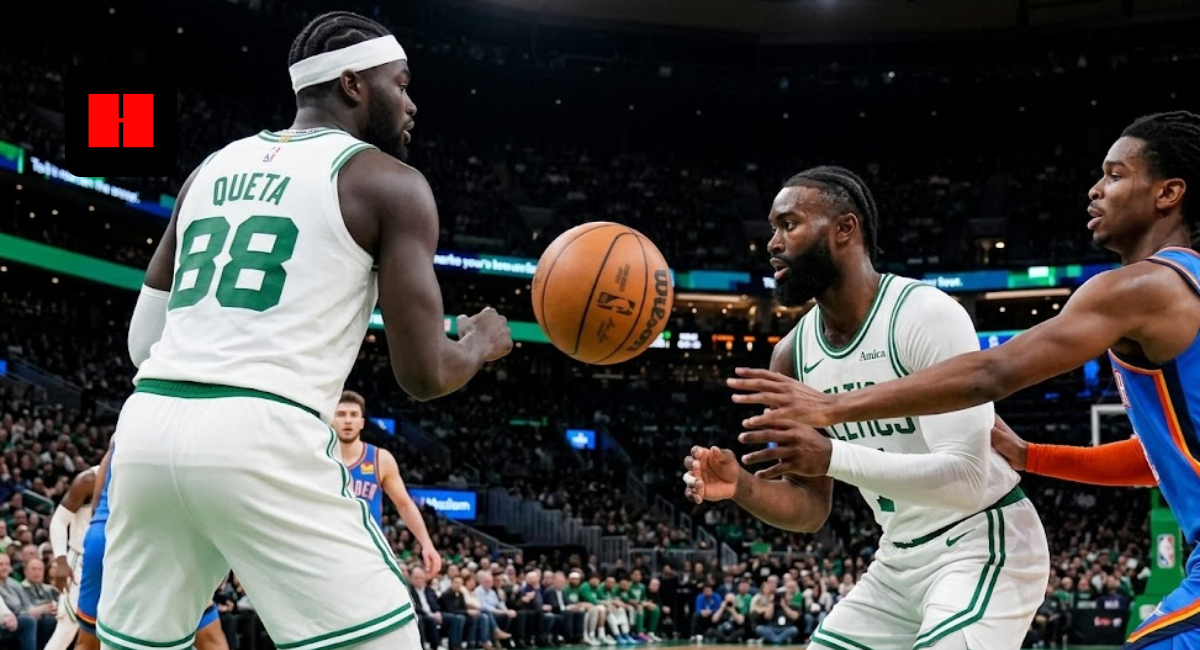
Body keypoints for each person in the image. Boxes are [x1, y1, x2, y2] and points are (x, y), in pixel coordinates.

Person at [96, 9, 513, 650]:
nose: (411, 104)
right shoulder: (390, 183)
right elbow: (424, 376)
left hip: (147, 430)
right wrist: (480, 344)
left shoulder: (212, 168)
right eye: (400, 84)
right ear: (353, 85)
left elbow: (140, 343)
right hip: (265, 432)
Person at [727, 112, 1200, 650]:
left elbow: (991, 373)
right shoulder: (1178, 287)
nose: (1095, 189)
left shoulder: (1141, 287)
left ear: (1169, 193)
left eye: (1115, 175)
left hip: (982, 544)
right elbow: (1157, 461)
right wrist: (1032, 455)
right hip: (900, 561)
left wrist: (831, 409)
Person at [686, 166, 1049, 649]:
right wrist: (743, 487)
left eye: (788, 224)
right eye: (773, 228)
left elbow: (966, 481)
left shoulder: (926, 315)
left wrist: (833, 456)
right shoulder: (792, 354)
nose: (772, 243)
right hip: (897, 560)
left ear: (844, 229)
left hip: (984, 541)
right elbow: (811, 509)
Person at [76, 444, 228, 650]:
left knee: (88, 641)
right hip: (157, 540)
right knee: (209, 637)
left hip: (103, 535)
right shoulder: (184, 439)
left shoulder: (121, 437)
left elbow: (97, 503)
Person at [335, 389, 441, 574]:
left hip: (368, 550)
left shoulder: (380, 459)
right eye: (341, 414)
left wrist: (427, 544)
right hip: (329, 547)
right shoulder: (319, 458)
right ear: (331, 419)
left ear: (362, 423)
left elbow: (404, 504)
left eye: (354, 415)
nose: (348, 420)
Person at [44, 465, 96, 650]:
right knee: (66, 630)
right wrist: (61, 560)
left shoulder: (134, 480)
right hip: (81, 560)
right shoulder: (89, 479)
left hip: (115, 564)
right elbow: (59, 521)